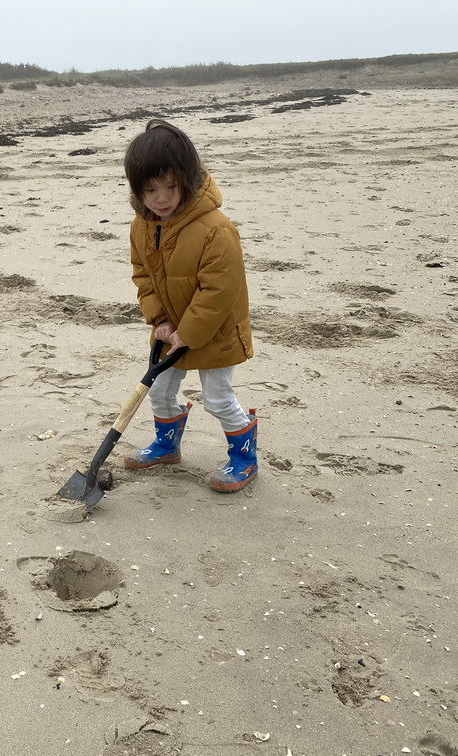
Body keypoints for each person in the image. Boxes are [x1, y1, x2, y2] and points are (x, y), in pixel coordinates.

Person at [121, 118, 257, 492]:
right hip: (169, 330)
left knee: (217, 399)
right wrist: (160, 319)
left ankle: (244, 457)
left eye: (170, 186)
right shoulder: (141, 225)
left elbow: (219, 291)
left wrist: (190, 332)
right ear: (137, 190)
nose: (161, 198)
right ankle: (166, 446)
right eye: (150, 190)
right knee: (161, 392)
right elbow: (142, 274)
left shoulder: (216, 228)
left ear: (188, 178)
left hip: (215, 333)